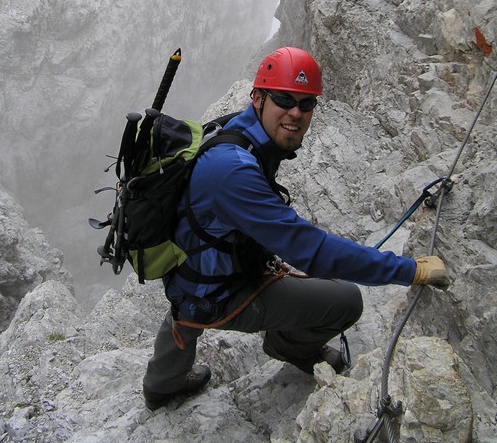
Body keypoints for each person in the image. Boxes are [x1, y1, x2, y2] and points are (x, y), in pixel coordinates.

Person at [143, 47, 449, 410]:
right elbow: (312, 251)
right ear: (258, 98)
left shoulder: (239, 130)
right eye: (284, 99)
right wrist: (408, 270)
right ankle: (288, 346)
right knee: (346, 301)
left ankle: (161, 383)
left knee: (189, 300)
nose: (296, 113)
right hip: (217, 291)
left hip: (193, 271)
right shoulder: (232, 171)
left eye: (306, 104)